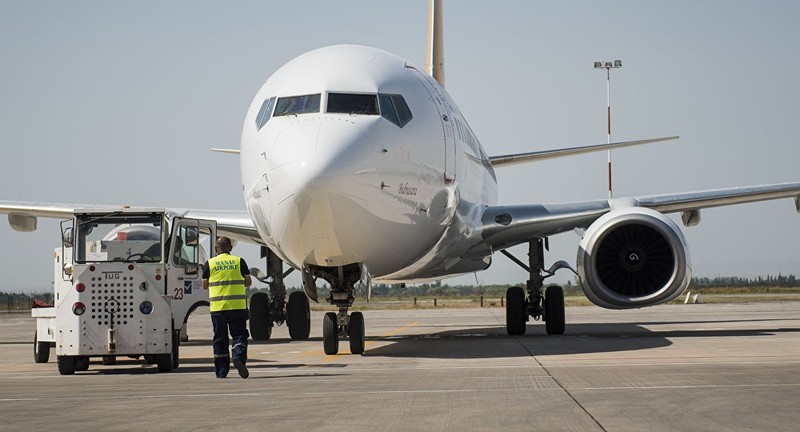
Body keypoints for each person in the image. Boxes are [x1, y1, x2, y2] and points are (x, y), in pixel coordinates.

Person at [202, 236, 252, 378]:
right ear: (230, 248)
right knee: (239, 335)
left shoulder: (210, 263)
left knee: (220, 338)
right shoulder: (238, 261)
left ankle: (221, 372)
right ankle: (238, 356)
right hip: (237, 307)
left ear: (216, 249)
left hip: (218, 308)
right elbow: (248, 282)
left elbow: (204, 285)